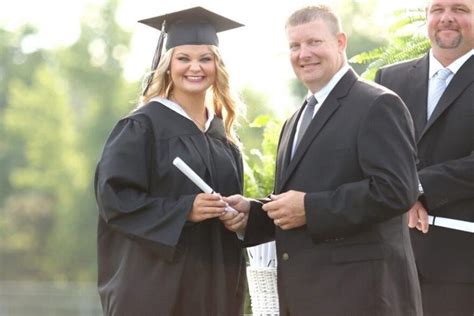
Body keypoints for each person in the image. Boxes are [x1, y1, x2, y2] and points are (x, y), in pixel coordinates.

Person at [223, 5, 423, 315]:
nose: (304, 54)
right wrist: (254, 214)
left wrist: (310, 208)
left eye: (314, 42)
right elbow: (297, 201)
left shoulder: (378, 104)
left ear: (340, 42)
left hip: (362, 298)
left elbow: (397, 190)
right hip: (305, 297)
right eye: (295, 45)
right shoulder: (294, 120)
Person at [94, 7, 248, 315]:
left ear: (218, 66)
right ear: (168, 65)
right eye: (184, 58)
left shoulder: (223, 137)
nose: (195, 68)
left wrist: (240, 218)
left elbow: (234, 212)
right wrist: (185, 210)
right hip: (155, 290)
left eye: (206, 59)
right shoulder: (142, 127)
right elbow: (114, 200)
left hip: (214, 290)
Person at [375, 0, 474, 314]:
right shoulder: (388, 80)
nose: (447, 18)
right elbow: (374, 153)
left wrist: (415, 188)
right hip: (390, 263)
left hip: (462, 265)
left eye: (460, 9)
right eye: (437, 9)